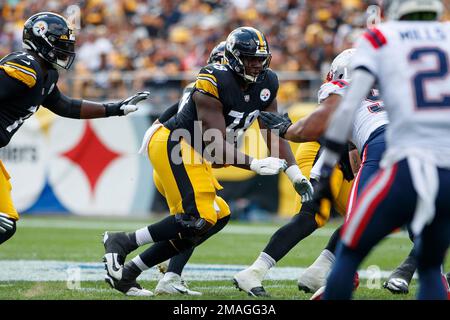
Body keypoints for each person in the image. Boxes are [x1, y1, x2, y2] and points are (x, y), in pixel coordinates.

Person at [102, 26, 313, 296]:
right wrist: (253, 163)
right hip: (177, 143)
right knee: (198, 216)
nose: (256, 65)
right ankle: (123, 241)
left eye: (261, 59)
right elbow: (213, 145)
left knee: (215, 216)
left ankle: (131, 272)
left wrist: (294, 174)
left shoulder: (267, 82)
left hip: (195, 153)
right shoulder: (213, 80)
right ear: (233, 58)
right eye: (250, 59)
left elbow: (272, 131)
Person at [312, 0, 450, 300]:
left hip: (404, 166)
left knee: (348, 250)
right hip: (447, 170)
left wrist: (325, 170)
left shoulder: (381, 37)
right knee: (430, 266)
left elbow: (348, 106)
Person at [233, 48, 389, 297]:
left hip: (350, 150)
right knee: (313, 215)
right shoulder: (346, 89)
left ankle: (318, 272)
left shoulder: (369, 92)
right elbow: (322, 126)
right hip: (321, 148)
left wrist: (352, 149)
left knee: (361, 217)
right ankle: (254, 272)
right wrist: (289, 131)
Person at [0, 12, 148, 246]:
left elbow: (64, 105)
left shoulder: (46, 74)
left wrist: (114, 109)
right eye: (60, 44)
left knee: (5, 222)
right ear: (41, 39)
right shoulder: (26, 66)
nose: (65, 50)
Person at [149, 41, 227, 296]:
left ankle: (166, 259)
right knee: (198, 219)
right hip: (182, 160)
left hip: (178, 159)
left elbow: (163, 120)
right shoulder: (211, 92)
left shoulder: (196, 88)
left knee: (216, 215)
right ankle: (129, 254)